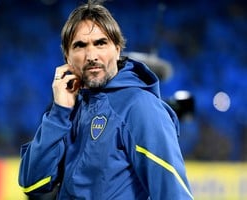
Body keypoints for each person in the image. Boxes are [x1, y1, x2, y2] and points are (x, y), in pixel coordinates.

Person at [18, 1, 194, 199]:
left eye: (101, 43)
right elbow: (32, 184)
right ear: (67, 56)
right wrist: (59, 112)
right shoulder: (67, 108)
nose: (92, 55)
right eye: (80, 45)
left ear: (118, 49)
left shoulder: (140, 106)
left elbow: (174, 193)